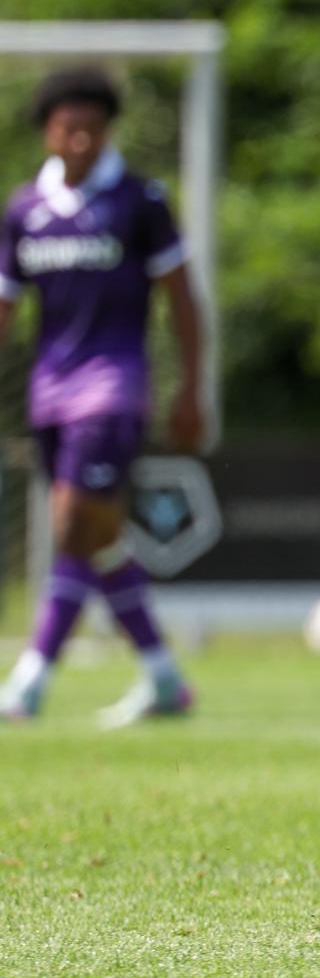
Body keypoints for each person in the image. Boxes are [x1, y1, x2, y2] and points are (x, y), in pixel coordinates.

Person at [0, 66, 206, 728]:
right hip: (49, 391)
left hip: (113, 385)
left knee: (70, 525)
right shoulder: (24, 210)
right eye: (69, 128)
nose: (82, 141)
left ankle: (29, 682)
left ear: (108, 130)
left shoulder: (140, 201)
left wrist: (191, 389)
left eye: (93, 128)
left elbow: (180, 299)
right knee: (97, 535)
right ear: (48, 134)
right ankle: (165, 678)